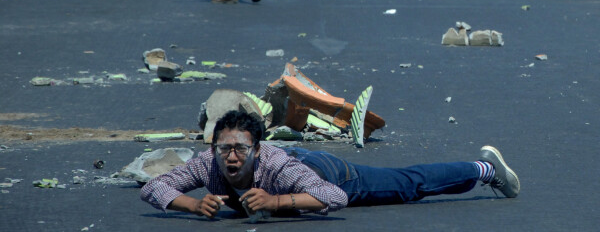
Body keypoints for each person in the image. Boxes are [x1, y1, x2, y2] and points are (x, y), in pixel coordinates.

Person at [141, 110, 520, 220]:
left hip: (326, 172)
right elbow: (153, 187)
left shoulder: (277, 167)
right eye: (225, 150)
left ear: (258, 148)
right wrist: (192, 204)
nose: (232, 157)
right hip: (305, 174)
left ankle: (485, 169)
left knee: (407, 185)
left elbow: (332, 196)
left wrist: (275, 202)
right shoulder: (209, 163)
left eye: (241, 149)